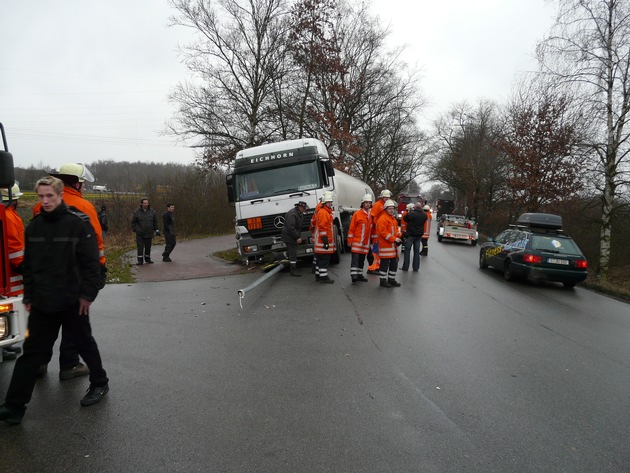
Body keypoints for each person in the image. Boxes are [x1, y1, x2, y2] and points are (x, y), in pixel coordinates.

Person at [0, 176, 109, 426]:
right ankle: (14, 406)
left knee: (85, 345)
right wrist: (29, 295)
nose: (45, 201)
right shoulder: (35, 227)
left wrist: (87, 296)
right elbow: (31, 266)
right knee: (31, 355)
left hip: (72, 301)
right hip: (43, 302)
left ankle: (100, 383)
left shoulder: (77, 224)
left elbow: (91, 265)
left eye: (50, 196)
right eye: (41, 196)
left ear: (60, 195)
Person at [35, 162, 107, 379]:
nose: (84, 188)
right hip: (74, 277)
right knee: (74, 321)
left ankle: (38, 363)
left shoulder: (42, 204)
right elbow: (95, 243)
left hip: (46, 276)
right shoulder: (84, 206)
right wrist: (100, 268)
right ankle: (69, 364)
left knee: (47, 322)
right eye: (83, 184)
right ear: (76, 183)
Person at [1, 183, 25, 360]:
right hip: (9, 274)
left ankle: (3, 347)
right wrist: (25, 267)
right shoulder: (9, 217)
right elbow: (14, 249)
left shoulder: (9, 216)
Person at [376, 199, 402, 287]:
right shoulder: (382, 219)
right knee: (384, 265)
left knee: (394, 264)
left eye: (393, 209)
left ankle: (391, 279)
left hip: (392, 248)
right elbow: (383, 233)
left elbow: (395, 232)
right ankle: (382, 281)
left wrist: (401, 236)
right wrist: (394, 239)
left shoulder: (393, 219)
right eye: (390, 208)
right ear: (385, 209)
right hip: (385, 247)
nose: (392, 210)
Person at [347, 194, 373, 283]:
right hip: (357, 241)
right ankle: (354, 276)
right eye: (366, 203)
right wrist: (350, 239)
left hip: (365, 243)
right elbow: (352, 228)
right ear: (362, 203)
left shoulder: (371, 215)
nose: (367, 204)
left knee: (362, 260)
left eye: (369, 203)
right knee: (355, 260)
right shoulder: (357, 214)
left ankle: (359, 275)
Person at [367, 189, 392, 275]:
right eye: (385, 197)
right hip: (376, 231)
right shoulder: (378, 205)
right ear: (382, 197)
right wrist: (376, 227)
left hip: (380, 231)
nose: (386, 199)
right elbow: (373, 217)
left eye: (388, 197)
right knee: (376, 250)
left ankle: (376, 266)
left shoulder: (385, 205)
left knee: (378, 250)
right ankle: (372, 267)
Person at [313, 192, 335, 283]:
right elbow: (323, 227)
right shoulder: (324, 213)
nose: (330, 204)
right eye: (328, 202)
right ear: (324, 203)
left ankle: (318, 275)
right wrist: (325, 240)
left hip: (320, 241)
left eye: (331, 202)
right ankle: (323, 277)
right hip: (322, 241)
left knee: (319, 260)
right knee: (324, 260)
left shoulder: (324, 212)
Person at [281, 201, 307, 277]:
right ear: (299, 207)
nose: (304, 210)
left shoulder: (298, 213)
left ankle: (277, 256)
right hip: (289, 236)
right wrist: (297, 237)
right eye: (304, 208)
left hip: (291, 235)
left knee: (292, 251)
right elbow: (291, 228)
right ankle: (293, 270)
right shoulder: (293, 214)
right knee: (293, 253)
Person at [131, 198, 159, 265]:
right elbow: (133, 222)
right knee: (140, 247)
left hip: (149, 233)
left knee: (148, 247)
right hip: (140, 233)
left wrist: (157, 230)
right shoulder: (137, 212)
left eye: (147, 203)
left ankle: (147, 259)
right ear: (141, 204)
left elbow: (155, 222)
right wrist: (135, 229)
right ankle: (140, 260)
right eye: (145, 203)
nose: (146, 204)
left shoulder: (152, 211)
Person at [401, 201, 427, 272]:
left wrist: (410, 212)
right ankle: (416, 268)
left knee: (407, 251)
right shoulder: (424, 215)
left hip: (410, 235)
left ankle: (405, 267)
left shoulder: (412, 213)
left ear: (415, 207)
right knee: (416, 252)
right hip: (418, 236)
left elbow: (405, 218)